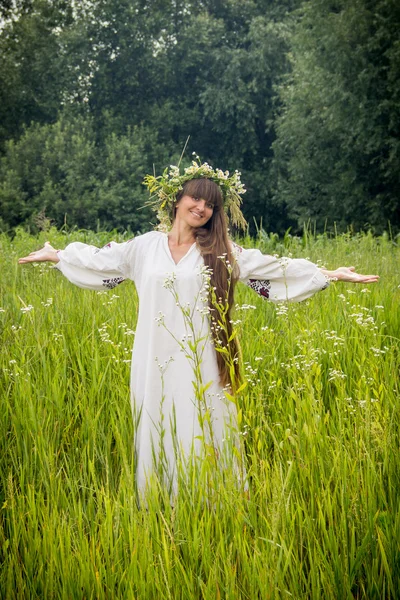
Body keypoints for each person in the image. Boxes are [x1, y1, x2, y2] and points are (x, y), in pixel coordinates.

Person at [19, 160, 379, 497]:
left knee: (205, 422)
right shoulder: (144, 247)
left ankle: (212, 501)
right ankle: (160, 501)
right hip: (152, 357)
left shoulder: (220, 249)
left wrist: (330, 274)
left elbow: (272, 267)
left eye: (210, 204)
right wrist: (58, 254)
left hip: (203, 358)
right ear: (177, 200)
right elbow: (100, 261)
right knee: (157, 421)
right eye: (195, 197)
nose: (202, 207)